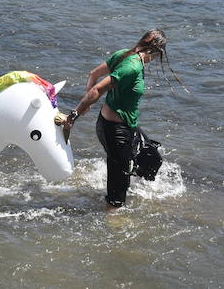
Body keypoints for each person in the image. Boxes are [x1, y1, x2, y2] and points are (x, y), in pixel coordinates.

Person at [64, 29, 170, 209]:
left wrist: (87, 103)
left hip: (126, 126)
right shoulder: (132, 67)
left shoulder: (123, 54)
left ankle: (127, 177)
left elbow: (93, 74)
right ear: (157, 52)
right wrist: (74, 115)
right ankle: (113, 221)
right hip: (115, 132)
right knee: (117, 195)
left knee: (152, 159)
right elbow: (97, 89)